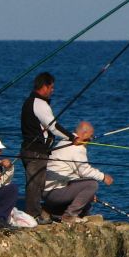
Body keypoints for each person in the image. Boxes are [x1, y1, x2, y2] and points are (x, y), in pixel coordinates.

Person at [19, 72, 75, 224]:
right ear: (44, 87)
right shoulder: (39, 103)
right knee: (35, 184)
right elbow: (54, 126)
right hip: (35, 151)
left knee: (38, 184)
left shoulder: (31, 102)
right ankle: (33, 215)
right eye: (51, 87)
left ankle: (38, 212)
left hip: (33, 150)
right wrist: (72, 138)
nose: (52, 90)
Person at [43, 120, 113, 223]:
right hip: (54, 192)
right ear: (84, 134)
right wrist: (103, 177)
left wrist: (86, 193)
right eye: (90, 136)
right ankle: (68, 217)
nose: (91, 139)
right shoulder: (77, 147)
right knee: (92, 185)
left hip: (47, 192)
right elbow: (84, 171)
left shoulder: (65, 140)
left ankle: (51, 211)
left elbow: (75, 174)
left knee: (86, 190)